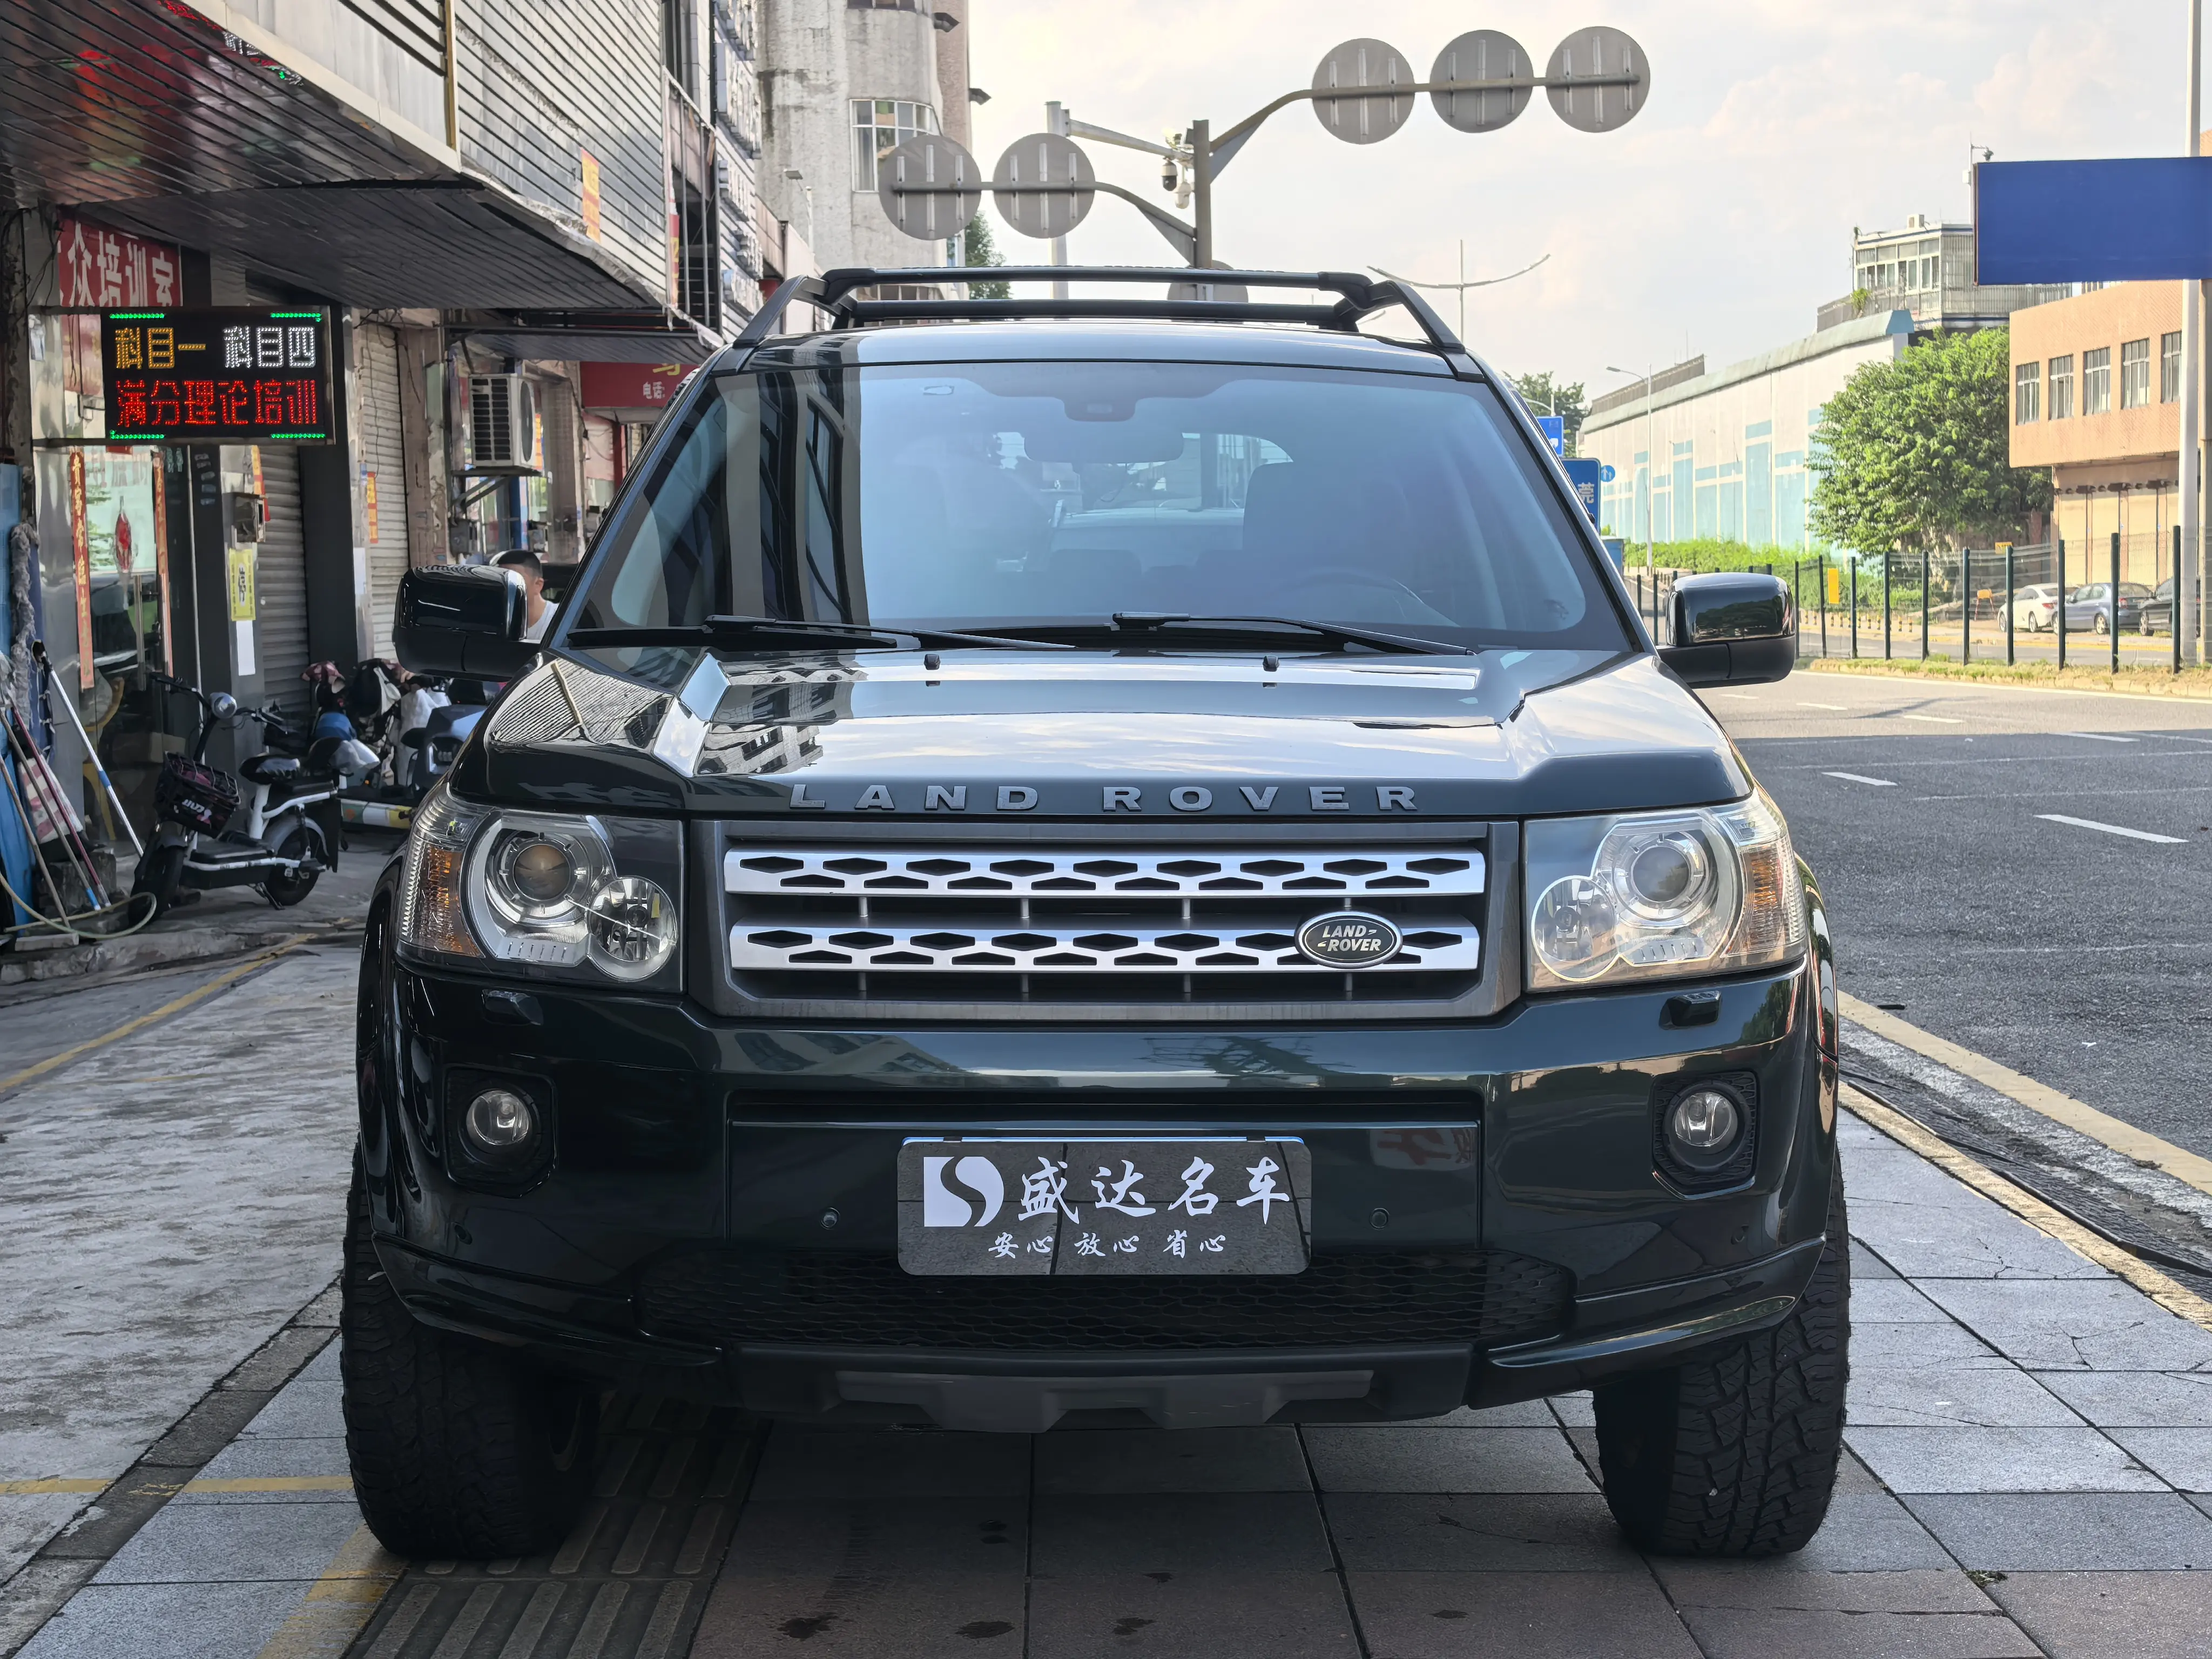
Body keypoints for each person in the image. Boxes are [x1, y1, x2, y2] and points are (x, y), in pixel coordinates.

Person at [495, 549, 553, 642]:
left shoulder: (559, 620)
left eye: (515, 580)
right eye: (500, 580)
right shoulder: (493, 621)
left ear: (538, 585)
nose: (505, 586)